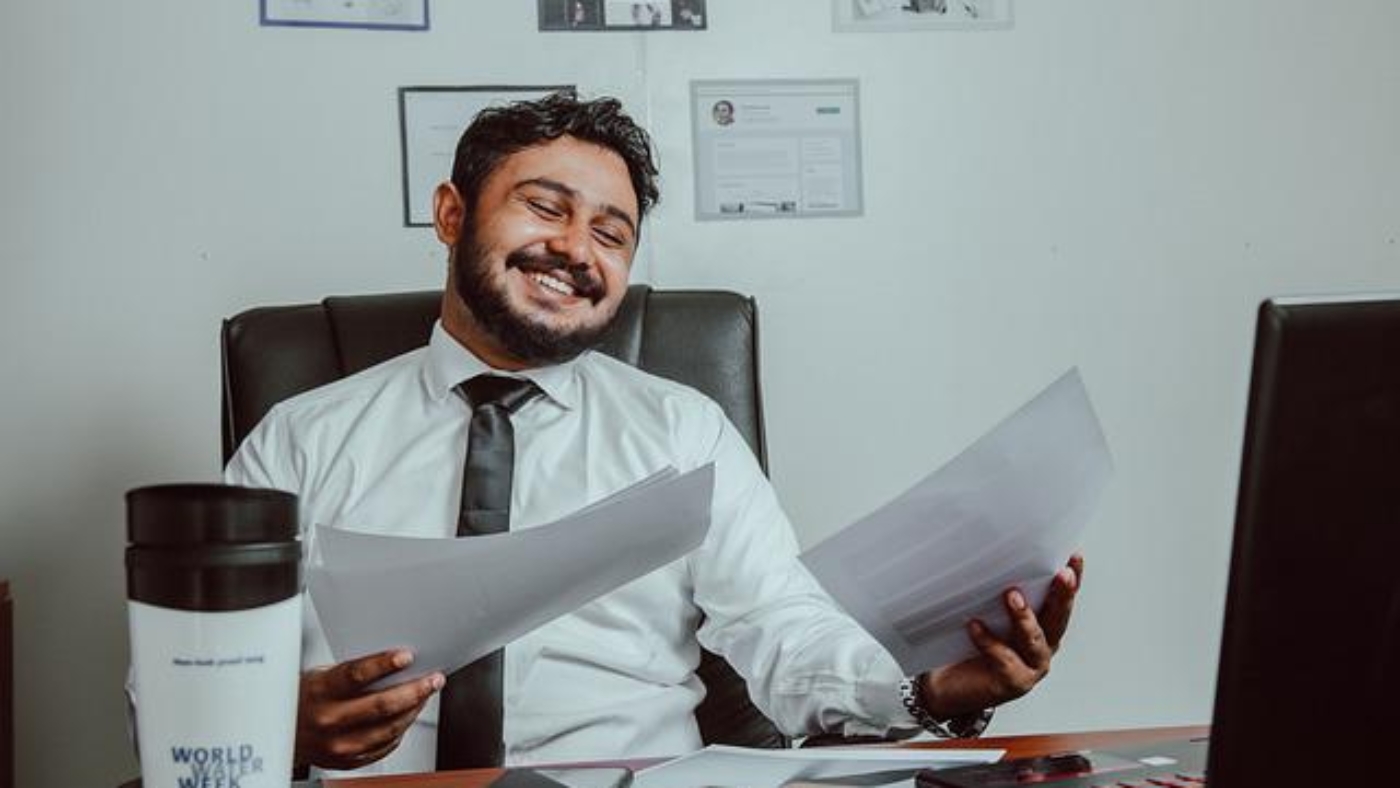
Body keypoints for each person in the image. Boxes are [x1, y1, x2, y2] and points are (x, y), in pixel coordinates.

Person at [225, 93, 1083, 777]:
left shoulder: (684, 431)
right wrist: (278, 725)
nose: (575, 249)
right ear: (452, 215)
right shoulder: (299, 441)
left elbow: (784, 632)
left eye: (611, 232)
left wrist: (927, 690)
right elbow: (181, 685)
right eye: (544, 208)